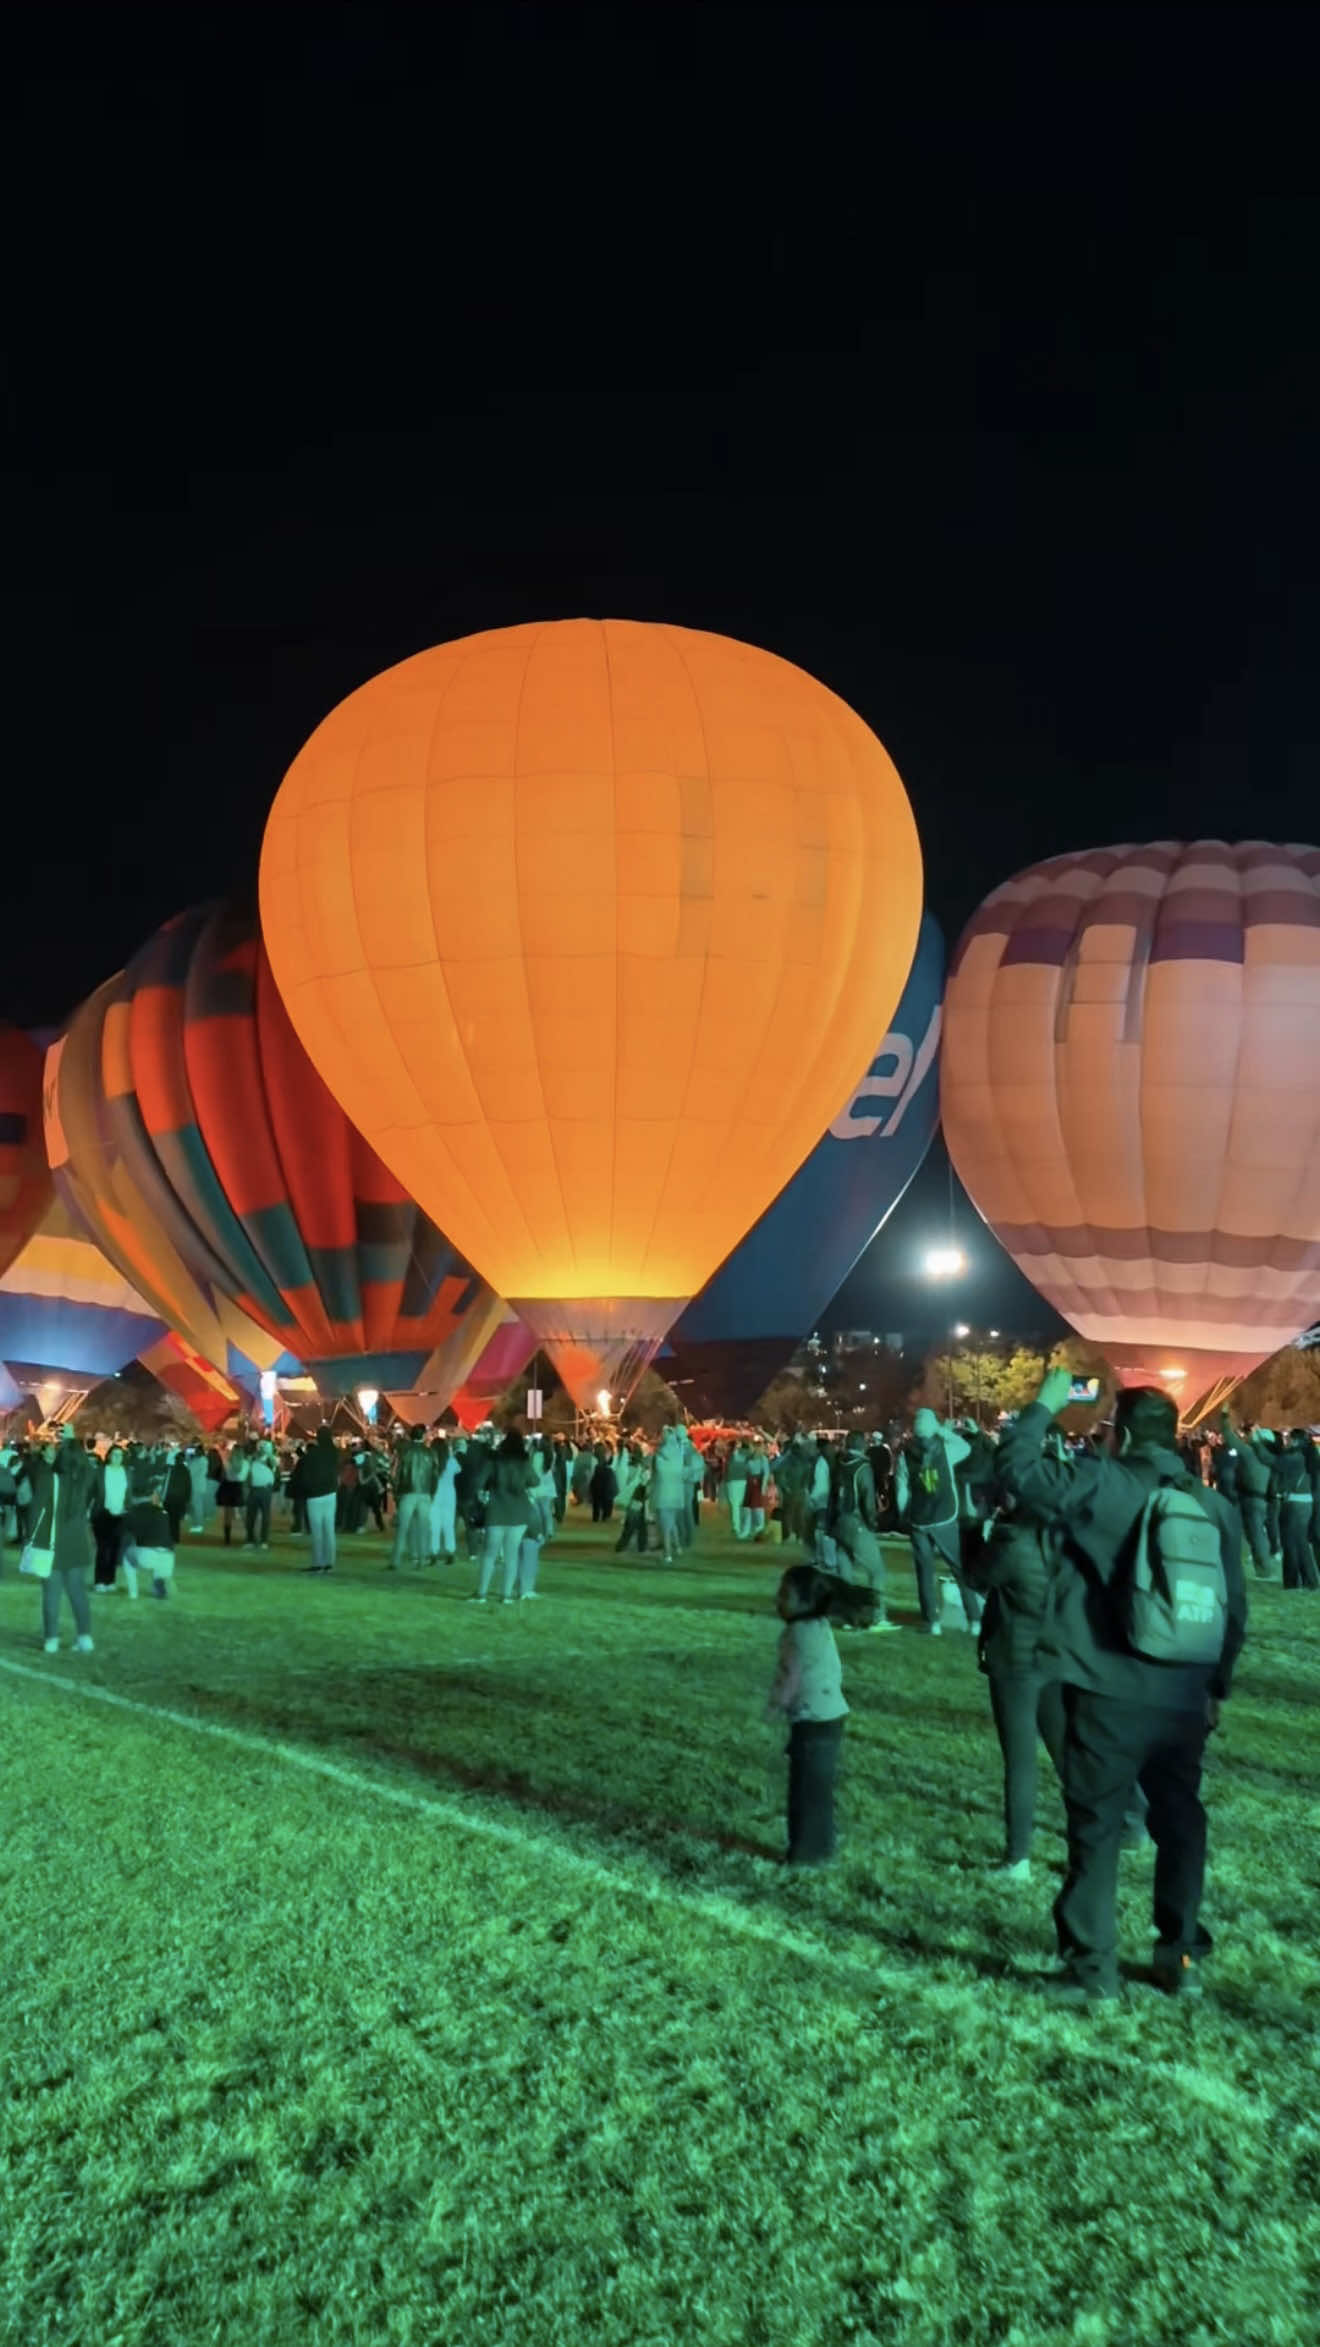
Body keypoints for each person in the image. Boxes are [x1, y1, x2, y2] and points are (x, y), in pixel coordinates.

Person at [996, 1371, 1246, 2004]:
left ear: (1122, 1435)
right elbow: (1233, 1606)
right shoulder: (1213, 1505)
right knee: (1180, 1819)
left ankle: (1092, 1971)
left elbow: (1018, 1473)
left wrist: (1044, 1408)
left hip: (1107, 1688)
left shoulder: (1104, 1483)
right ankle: (1180, 1952)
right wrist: (1217, 1685)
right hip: (1185, 1694)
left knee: (1098, 1827)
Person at [766, 1563, 878, 1865]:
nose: (777, 1599)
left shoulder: (795, 1633)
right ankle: (823, 1846)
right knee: (821, 1788)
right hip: (833, 1717)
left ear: (806, 1601)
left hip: (810, 1720)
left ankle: (804, 1853)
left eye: (785, 1594)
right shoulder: (820, 1626)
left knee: (803, 1790)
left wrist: (775, 1705)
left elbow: (790, 1676)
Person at [897, 1409, 980, 1634]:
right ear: (932, 1427)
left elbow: (901, 1489)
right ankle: (974, 1620)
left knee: (925, 1572)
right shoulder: (945, 1449)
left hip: (919, 1519)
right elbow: (967, 1447)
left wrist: (904, 1514)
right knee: (959, 1569)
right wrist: (943, 1430)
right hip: (944, 1516)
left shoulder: (904, 1456)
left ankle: (931, 1621)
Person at [27, 1426, 98, 1655]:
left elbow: (34, 1513)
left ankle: (51, 1640)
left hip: (52, 1544)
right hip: (78, 1545)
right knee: (78, 1592)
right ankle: (85, 1637)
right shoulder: (82, 1481)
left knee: (51, 1594)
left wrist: (30, 1538)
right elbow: (87, 1467)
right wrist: (72, 1440)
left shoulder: (49, 1479)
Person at [828, 1429, 896, 1629]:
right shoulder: (862, 1467)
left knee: (845, 1574)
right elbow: (867, 1499)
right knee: (877, 1571)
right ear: (863, 1445)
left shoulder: (839, 1464)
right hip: (856, 1522)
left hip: (839, 1523)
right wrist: (873, 1521)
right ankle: (877, 1616)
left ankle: (847, 1617)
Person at [471, 1430, 539, 1603]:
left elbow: (478, 1482)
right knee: (512, 1555)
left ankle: (481, 1593)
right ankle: (506, 1595)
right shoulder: (524, 1462)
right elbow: (535, 1481)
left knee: (489, 1554)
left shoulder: (494, 1461)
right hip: (519, 1511)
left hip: (497, 1510)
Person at [1217, 1412, 1275, 1578]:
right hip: (1261, 1500)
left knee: (1254, 1535)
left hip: (1251, 1500)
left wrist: (1224, 1418)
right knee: (1257, 1534)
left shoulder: (1250, 1454)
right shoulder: (1269, 1458)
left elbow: (1229, 1438)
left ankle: (1263, 1568)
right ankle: (1262, 1566)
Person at [1275, 1428, 1318, 1589]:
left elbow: (1271, 1461)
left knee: (1292, 1543)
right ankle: (1306, 1581)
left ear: (1296, 1440)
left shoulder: (1294, 1458)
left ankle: (1297, 1581)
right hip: (1306, 1503)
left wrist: (1257, 1442)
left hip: (1294, 1505)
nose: (1287, 1441)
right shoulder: (1308, 1456)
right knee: (1299, 1542)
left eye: (1289, 1438)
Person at [390, 1425, 438, 1568]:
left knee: (402, 1528)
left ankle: (396, 1560)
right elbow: (435, 1475)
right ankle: (422, 1560)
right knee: (423, 1528)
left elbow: (395, 1474)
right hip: (425, 1493)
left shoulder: (404, 1452)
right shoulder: (431, 1453)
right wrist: (432, 1492)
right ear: (423, 1435)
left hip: (407, 1492)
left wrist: (396, 1493)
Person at [122, 1478, 176, 1599]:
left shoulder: (132, 1512)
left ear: (135, 1498)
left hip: (147, 1556)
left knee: (127, 1556)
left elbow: (123, 1532)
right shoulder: (162, 1512)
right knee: (159, 1564)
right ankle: (160, 1583)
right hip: (168, 1557)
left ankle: (133, 1593)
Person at [301, 1426, 340, 1574]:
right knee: (329, 1528)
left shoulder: (313, 1454)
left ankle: (318, 1562)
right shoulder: (334, 1453)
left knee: (317, 1530)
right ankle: (330, 1562)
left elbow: (305, 1474)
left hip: (315, 1495)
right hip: (330, 1493)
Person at [93, 1442, 130, 1590]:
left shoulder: (126, 1472)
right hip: (103, 1513)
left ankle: (110, 1580)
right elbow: (92, 1491)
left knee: (115, 1549)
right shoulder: (101, 1472)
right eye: (114, 1455)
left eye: (120, 1455)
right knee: (103, 1549)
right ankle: (100, 1581)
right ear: (109, 1456)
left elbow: (129, 1493)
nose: (117, 1458)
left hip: (120, 1515)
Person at [650, 1428, 689, 1564]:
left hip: (663, 1493)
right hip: (677, 1494)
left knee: (665, 1526)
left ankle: (667, 1554)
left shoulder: (659, 1455)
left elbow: (654, 1473)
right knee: (671, 1522)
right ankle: (677, 1547)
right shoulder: (679, 1454)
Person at [429, 1434, 460, 1563]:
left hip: (434, 1493)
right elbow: (458, 1470)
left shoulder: (431, 1461)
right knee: (449, 1524)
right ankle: (450, 1551)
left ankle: (433, 1552)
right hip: (449, 1494)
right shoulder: (451, 1461)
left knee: (434, 1525)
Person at [243, 1442, 277, 1550]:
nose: (261, 1449)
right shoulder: (252, 1458)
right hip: (253, 1489)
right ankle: (250, 1539)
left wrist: (269, 1454)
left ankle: (264, 1540)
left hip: (265, 1490)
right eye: (260, 1447)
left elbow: (274, 1465)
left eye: (264, 1447)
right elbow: (248, 1472)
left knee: (265, 1516)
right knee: (250, 1516)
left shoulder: (270, 1459)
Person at [216, 1441, 248, 1547]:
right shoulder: (245, 1463)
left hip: (229, 1487)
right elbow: (248, 1477)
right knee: (244, 1514)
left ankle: (227, 1539)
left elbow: (223, 1476)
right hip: (240, 1487)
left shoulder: (228, 1463)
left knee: (227, 1516)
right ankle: (249, 1536)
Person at [724, 1441, 750, 1540]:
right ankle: (742, 1526)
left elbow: (727, 1469)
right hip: (742, 1480)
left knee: (735, 1505)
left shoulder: (730, 1456)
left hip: (733, 1481)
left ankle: (737, 1527)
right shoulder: (745, 1455)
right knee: (741, 1505)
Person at [589, 1443, 618, 1523]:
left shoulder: (595, 1455)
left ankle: (596, 1516)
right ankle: (605, 1515)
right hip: (607, 1475)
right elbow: (611, 1463)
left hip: (597, 1476)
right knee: (606, 1497)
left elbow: (592, 1467)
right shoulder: (608, 1453)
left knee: (596, 1498)